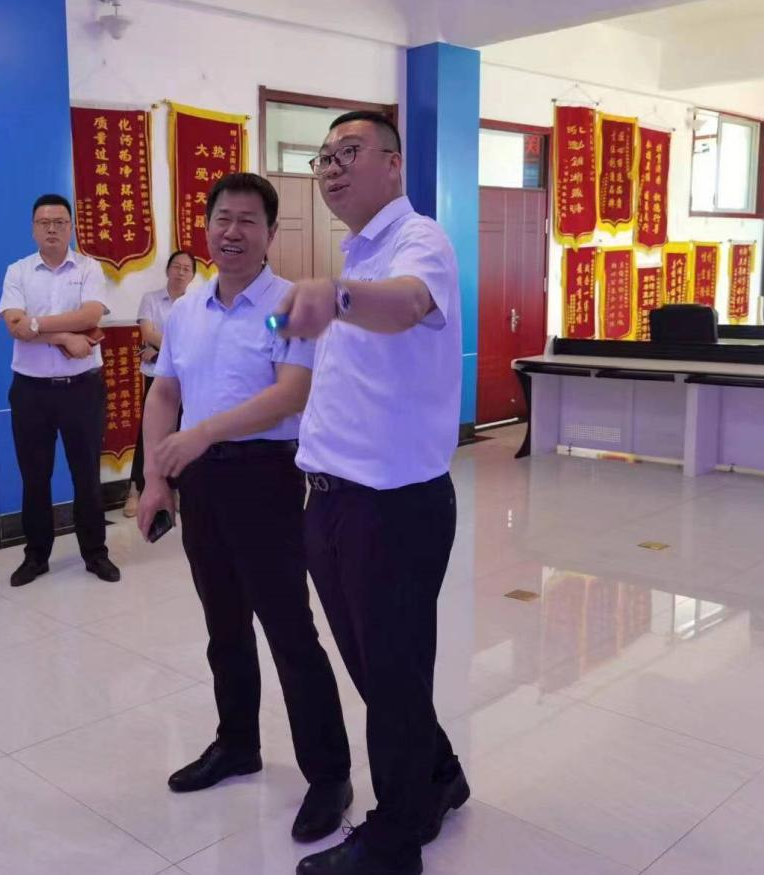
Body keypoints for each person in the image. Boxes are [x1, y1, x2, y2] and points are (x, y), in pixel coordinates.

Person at [274, 111, 468, 875]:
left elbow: (407, 302)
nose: (329, 167)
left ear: (392, 163)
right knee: (377, 668)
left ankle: (393, 842)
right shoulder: (355, 253)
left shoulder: (419, 240)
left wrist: (337, 296)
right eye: (323, 157)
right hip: (330, 499)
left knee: (389, 673)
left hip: (392, 507)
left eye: (347, 152)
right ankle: (439, 774)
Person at [136, 173, 353, 844]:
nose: (231, 232)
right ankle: (236, 743)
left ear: (269, 232)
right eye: (221, 219)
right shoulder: (187, 308)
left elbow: (290, 393)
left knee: (288, 629)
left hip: (266, 479)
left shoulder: (288, 306)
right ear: (205, 226)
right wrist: (154, 478)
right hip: (200, 481)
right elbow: (163, 393)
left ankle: (329, 775)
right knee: (222, 623)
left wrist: (202, 433)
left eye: (247, 221)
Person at [0, 193, 120, 587]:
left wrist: (36, 325)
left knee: (86, 475)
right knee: (35, 477)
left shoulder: (88, 268)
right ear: (33, 228)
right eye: (44, 222)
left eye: (59, 222)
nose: (52, 229)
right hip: (31, 391)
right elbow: (13, 325)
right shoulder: (17, 271)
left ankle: (95, 553)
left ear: (71, 227)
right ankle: (36, 556)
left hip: (82, 390)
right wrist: (65, 336)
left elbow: (90, 314)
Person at [123, 250, 195, 518]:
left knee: (179, 432)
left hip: (185, 377)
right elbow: (147, 333)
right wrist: (174, 349)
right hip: (155, 375)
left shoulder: (196, 304)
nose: (180, 272)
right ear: (167, 270)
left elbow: (195, 341)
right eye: (176, 266)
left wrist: (159, 351)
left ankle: (174, 489)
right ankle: (135, 489)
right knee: (149, 433)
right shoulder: (151, 299)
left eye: (186, 269)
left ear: (192, 276)